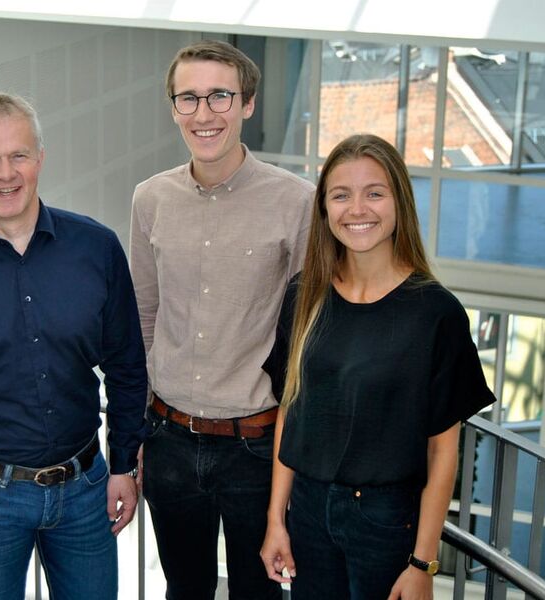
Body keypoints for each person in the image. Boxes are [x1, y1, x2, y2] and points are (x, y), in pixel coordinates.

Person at [0, 92, 147, 600]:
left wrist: (124, 463)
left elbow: (127, 365)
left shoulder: (97, 248)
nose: (5, 173)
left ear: (40, 157)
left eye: (18, 155)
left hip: (86, 491)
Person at [259, 133, 496, 599]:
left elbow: (443, 452)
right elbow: (290, 414)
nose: (357, 209)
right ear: (325, 209)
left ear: (399, 203)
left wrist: (423, 562)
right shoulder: (304, 295)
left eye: (374, 193)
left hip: (385, 521)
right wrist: (275, 522)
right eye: (341, 195)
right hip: (307, 510)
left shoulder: (435, 313)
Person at [129, 40, 314, 600]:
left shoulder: (297, 201)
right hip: (168, 439)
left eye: (219, 97)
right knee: (184, 589)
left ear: (247, 104)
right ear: (173, 107)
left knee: (257, 595)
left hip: (256, 447)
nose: (203, 113)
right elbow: (143, 316)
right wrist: (133, 435)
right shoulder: (150, 199)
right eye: (189, 98)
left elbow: (308, 334)